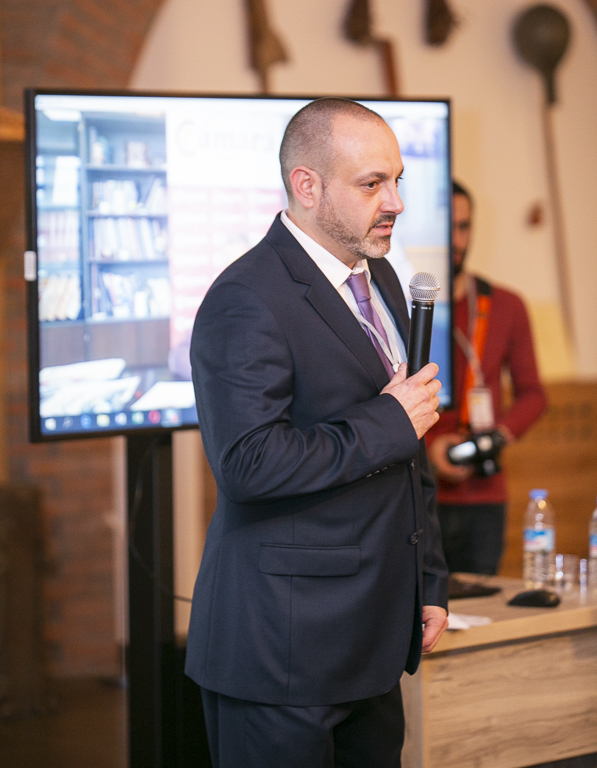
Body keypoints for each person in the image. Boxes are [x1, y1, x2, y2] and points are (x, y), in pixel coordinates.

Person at [185, 98, 449, 768]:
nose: (394, 203)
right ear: (306, 185)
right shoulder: (246, 297)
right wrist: (388, 419)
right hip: (282, 648)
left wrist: (426, 580)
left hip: (373, 635)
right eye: (371, 184)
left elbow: (407, 452)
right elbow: (248, 463)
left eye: (396, 181)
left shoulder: (379, 275)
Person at [426, 181, 547, 575]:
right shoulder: (406, 306)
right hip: (420, 492)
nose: (457, 240)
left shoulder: (506, 305)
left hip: (484, 497)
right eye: (447, 227)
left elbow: (534, 395)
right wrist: (431, 450)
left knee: (481, 605)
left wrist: (493, 439)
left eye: (464, 227)